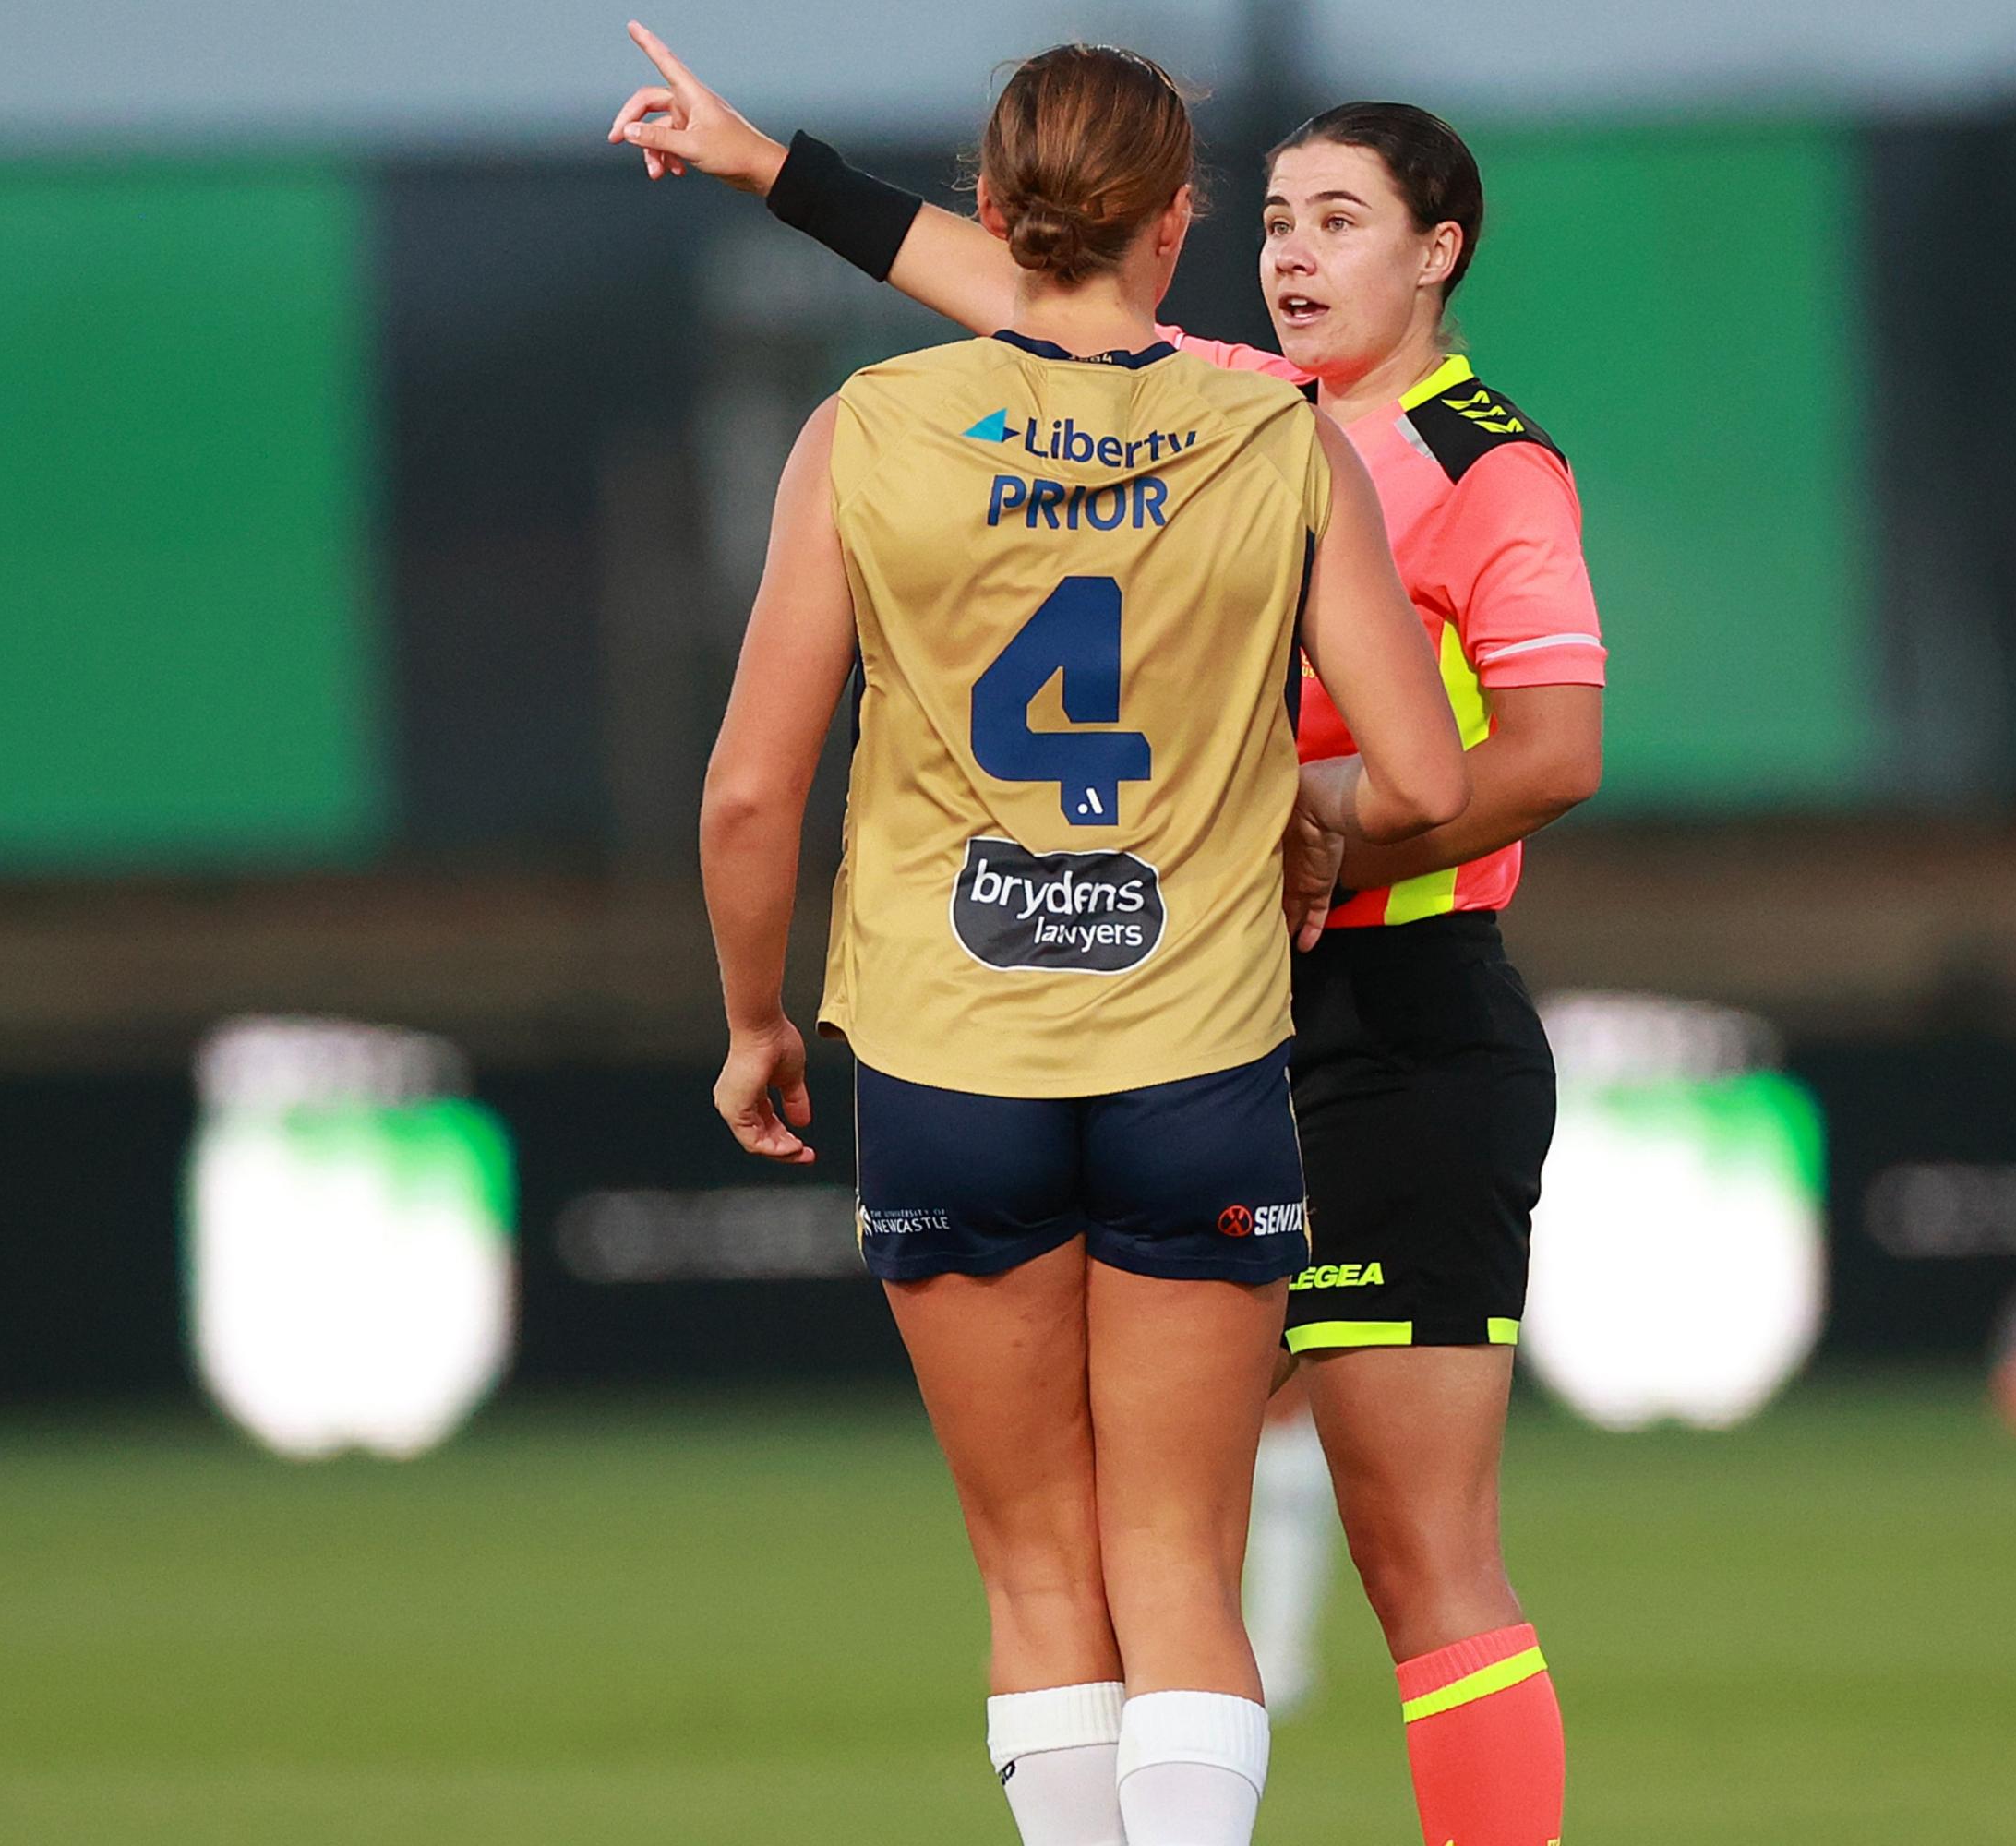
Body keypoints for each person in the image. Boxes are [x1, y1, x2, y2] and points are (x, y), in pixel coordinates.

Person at [630, 32, 1596, 1846]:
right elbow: (1423, 757)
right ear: (1186, 223)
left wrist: (759, 1022)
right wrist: (774, 166)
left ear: (1438, 249)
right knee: (1181, 1560)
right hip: (1204, 1036)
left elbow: (753, 796)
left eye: (1340, 219)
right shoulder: (1261, 419)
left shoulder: (888, 429)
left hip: (1065, 1031)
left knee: (1117, 1567)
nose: (1296, 254)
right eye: (1277, 217)